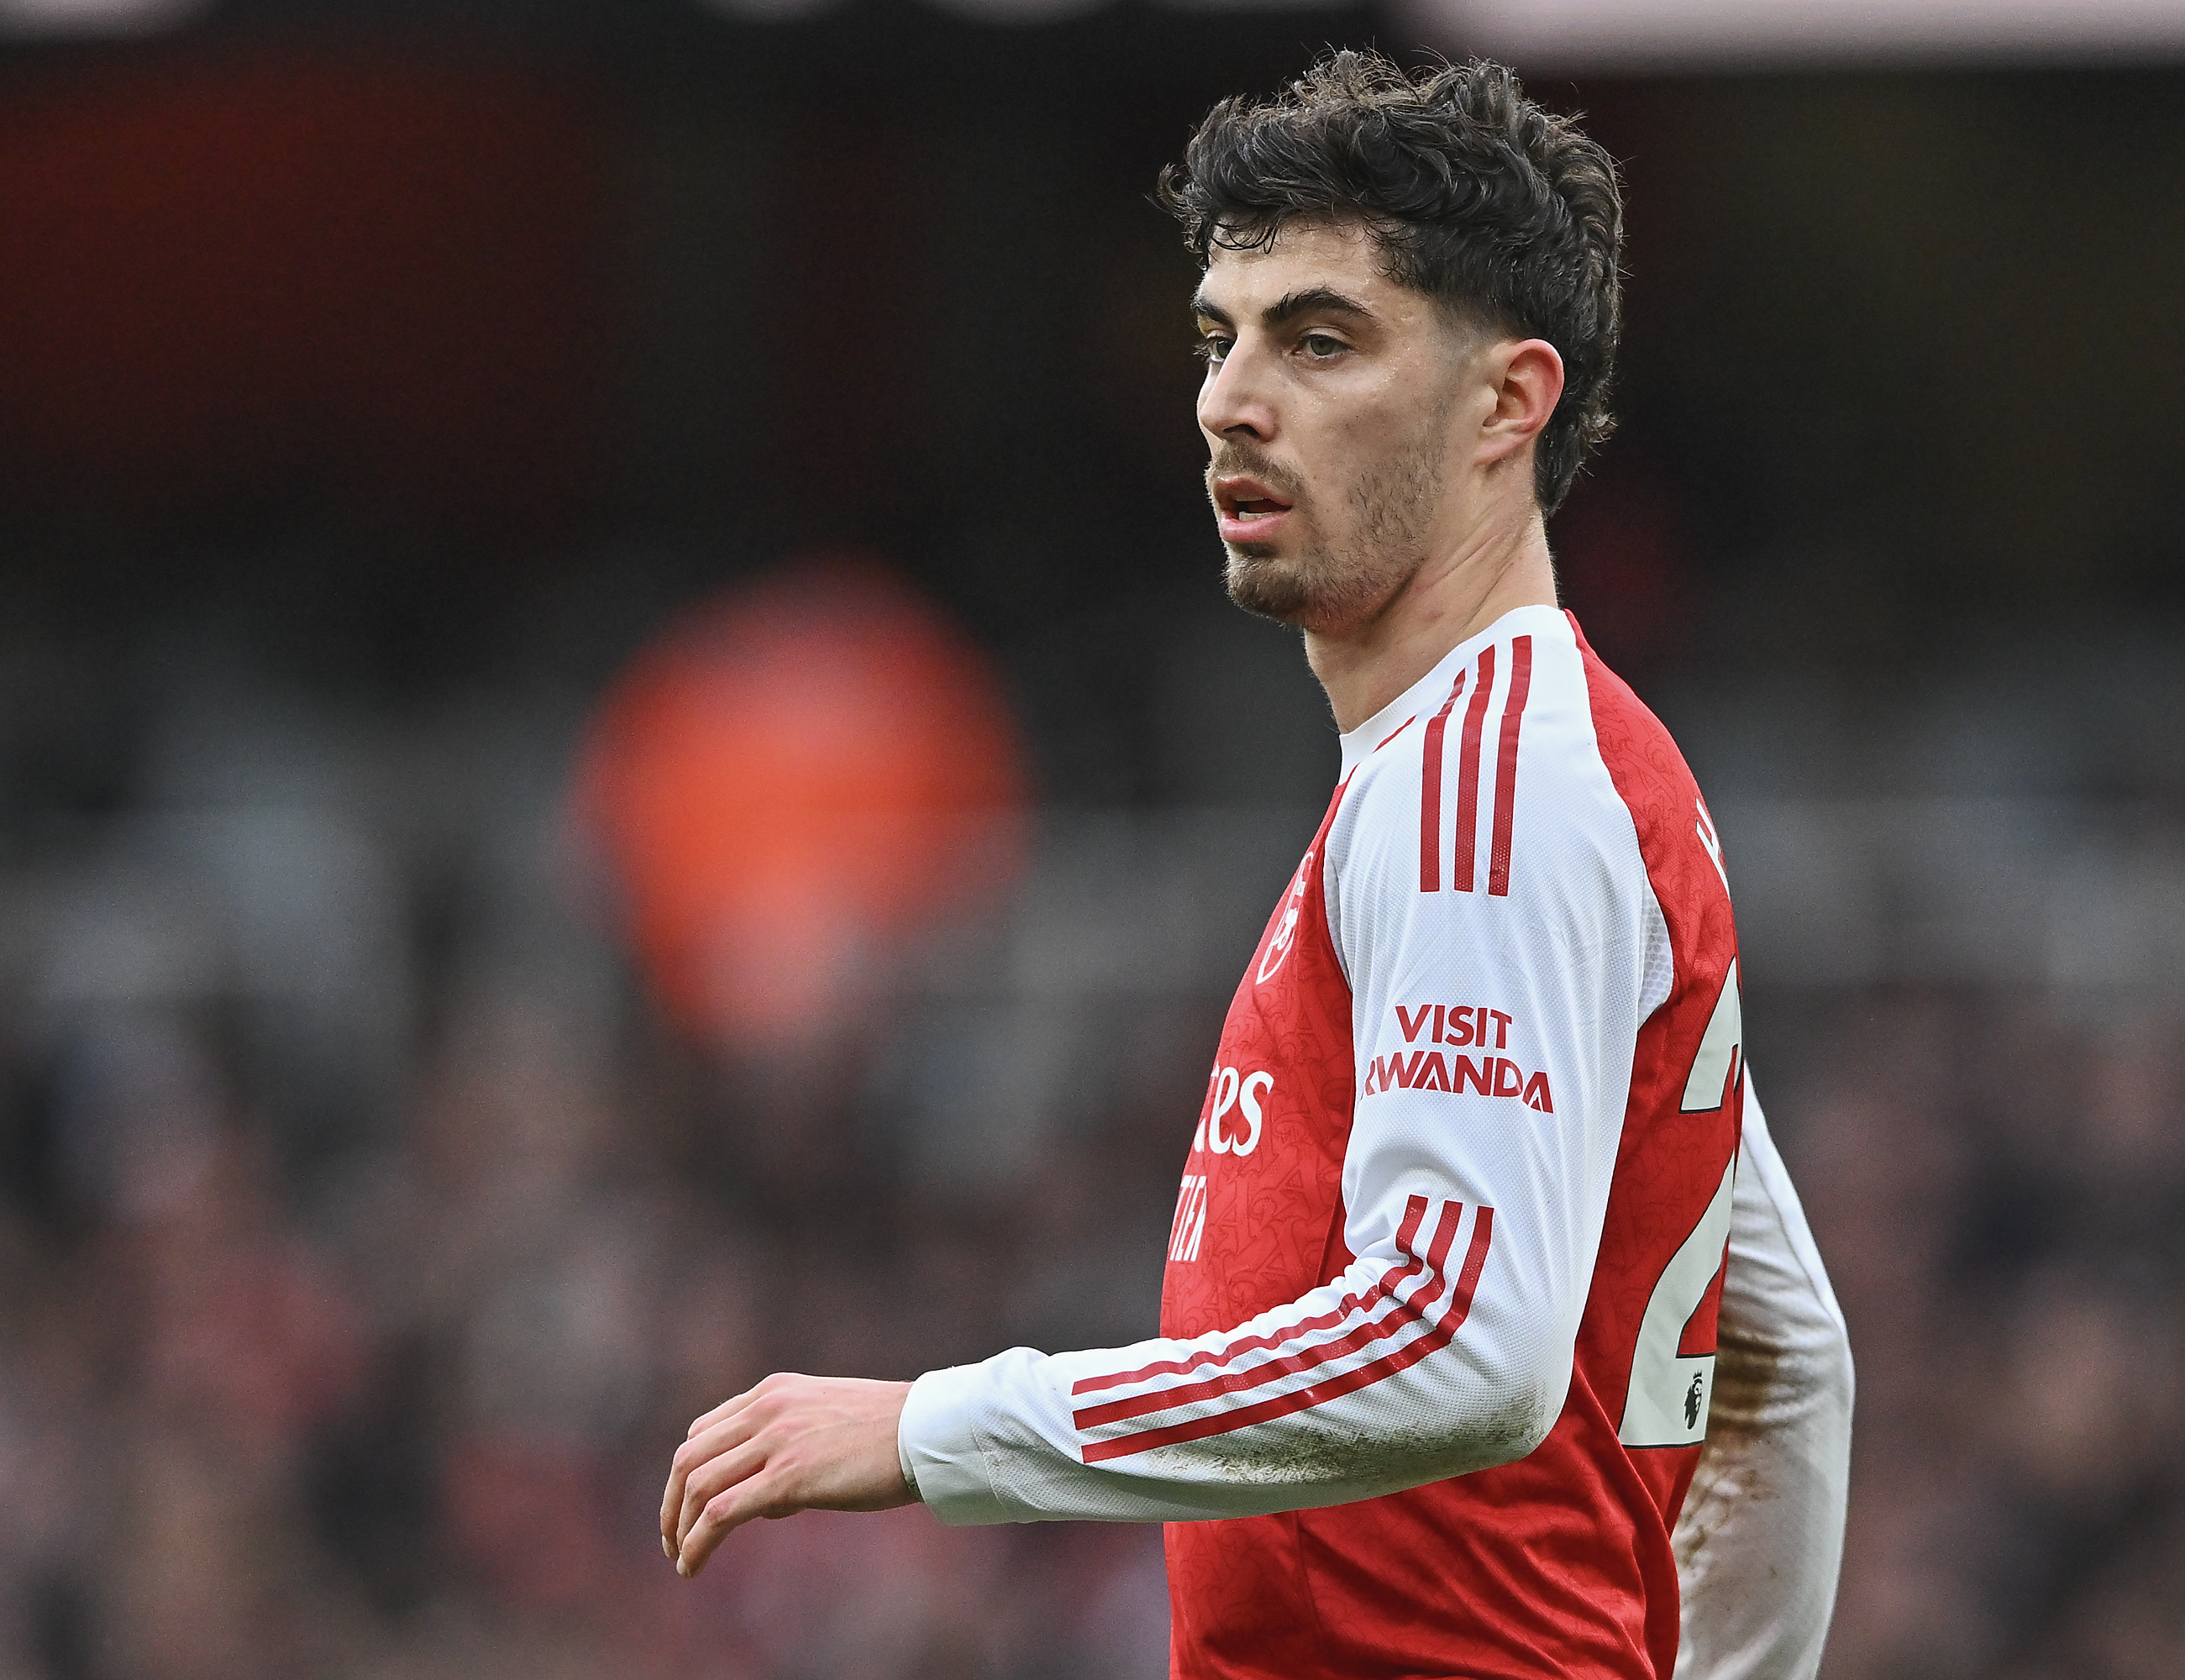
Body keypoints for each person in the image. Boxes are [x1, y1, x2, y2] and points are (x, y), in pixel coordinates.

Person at [661, 50, 1853, 1680]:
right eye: (1219, 339)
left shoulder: (1483, 790)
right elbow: (1787, 1359)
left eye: (1321, 340)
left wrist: (937, 1426)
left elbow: (1458, 1343)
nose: (1231, 397)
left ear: (1509, 402)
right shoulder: (1533, 768)